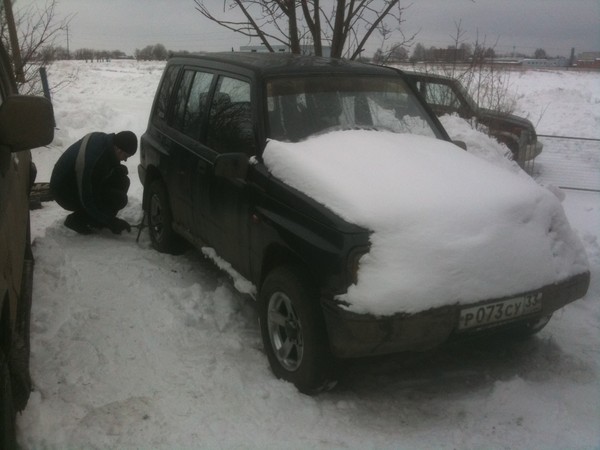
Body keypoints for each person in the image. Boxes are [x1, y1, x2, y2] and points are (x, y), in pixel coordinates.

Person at [50, 130, 137, 235]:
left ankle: (98, 219)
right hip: (64, 191)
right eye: (126, 156)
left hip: (76, 181)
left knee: (122, 181)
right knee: (119, 199)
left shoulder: (106, 142)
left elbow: (104, 165)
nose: (125, 160)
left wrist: (116, 168)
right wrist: (110, 221)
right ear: (119, 150)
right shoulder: (91, 160)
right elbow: (86, 197)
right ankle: (77, 220)